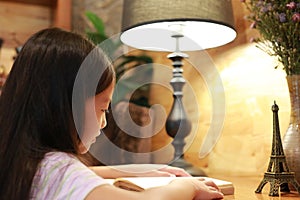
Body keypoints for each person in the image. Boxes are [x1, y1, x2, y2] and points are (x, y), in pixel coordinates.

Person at [0, 27, 224, 200]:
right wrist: (186, 186)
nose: (104, 121)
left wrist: (139, 171)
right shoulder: (59, 169)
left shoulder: (26, 161)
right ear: (68, 104)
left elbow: (84, 174)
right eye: (102, 108)